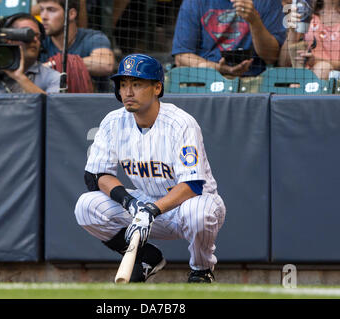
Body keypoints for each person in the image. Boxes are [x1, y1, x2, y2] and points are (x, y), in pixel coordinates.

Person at [74, 54, 226, 283]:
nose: (128, 91)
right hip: (145, 204)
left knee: (198, 213)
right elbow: (97, 176)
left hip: (188, 204)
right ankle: (147, 256)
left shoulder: (180, 123)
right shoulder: (113, 121)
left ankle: (201, 270)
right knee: (86, 206)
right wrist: (130, 202)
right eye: (123, 84)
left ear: (157, 88)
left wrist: (152, 210)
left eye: (136, 84)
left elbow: (193, 185)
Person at [171, 0, 287, 77]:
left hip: (254, 78)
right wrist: (219, 68)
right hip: (206, 79)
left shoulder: (267, 2)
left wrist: (254, 21)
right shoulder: (194, 2)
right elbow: (182, 57)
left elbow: (272, 57)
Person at [37, 0, 115, 91]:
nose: (43, 16)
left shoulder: (93, 37)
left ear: (71, 14)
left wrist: (53, 64)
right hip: (51, 103)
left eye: (51, 10)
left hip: (93, 103)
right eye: (41, 10)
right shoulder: (39, 41)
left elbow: (106, 64)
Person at [279, 0, 340, 80]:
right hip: (303, 80)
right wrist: (292, 31)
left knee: (323, 68)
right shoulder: (306, 10)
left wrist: (314, 60)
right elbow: (283, 62)